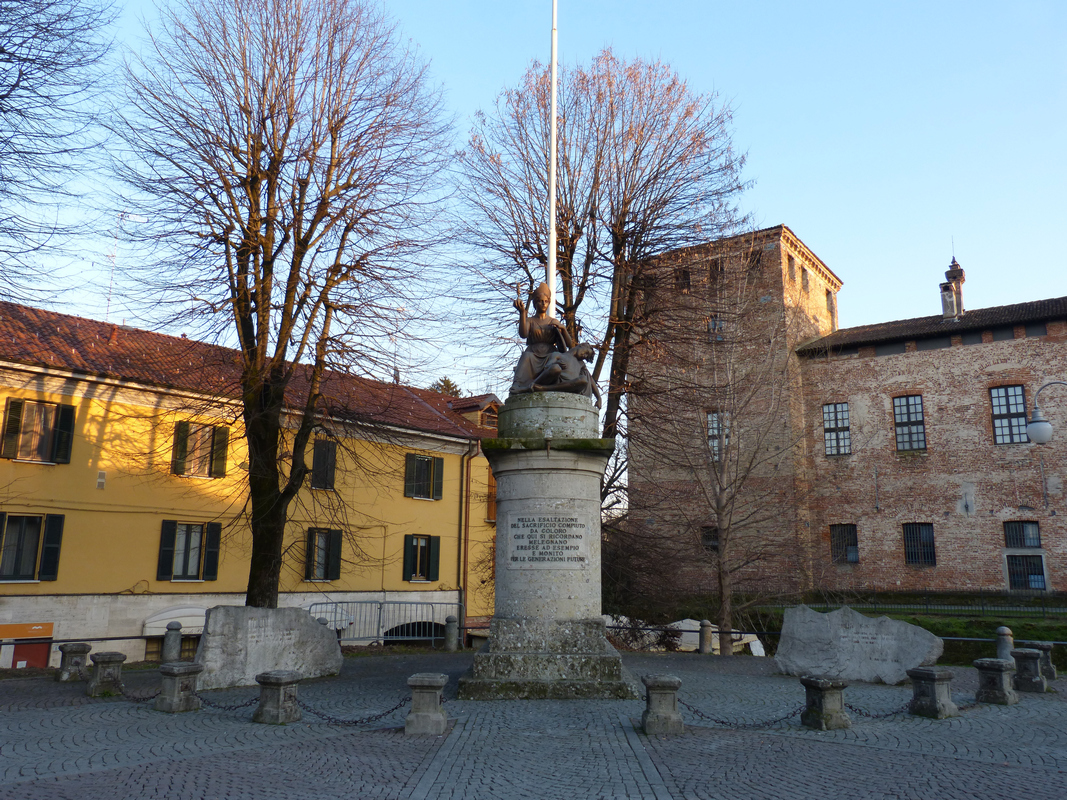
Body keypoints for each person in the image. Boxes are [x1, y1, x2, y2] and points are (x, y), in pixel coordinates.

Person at [509, 283, 572, 395]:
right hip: (533, 353)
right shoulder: (530, 320)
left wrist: (563, 329)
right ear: (535, 303)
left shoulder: (553, 321)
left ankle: (544, 385)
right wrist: (522, 313)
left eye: (546, 301)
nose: (543, 303)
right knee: (526, 357)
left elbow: (569, 345)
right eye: (540, 301)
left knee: (556, 367)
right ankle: (518, 385)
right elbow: (523, 334)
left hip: (550, 355)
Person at [532, 343, 601, 408]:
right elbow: (547, 367)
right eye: (586, 353)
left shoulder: (581, 363)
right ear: (582, 345)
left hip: (571, 386)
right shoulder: (558, 355)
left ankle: (544, 388)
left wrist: (598, 397)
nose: (585, 356)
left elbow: (590, 380)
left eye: (587, 356)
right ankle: (539, 385)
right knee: (555, 368)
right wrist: (556, 363)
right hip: (556, 380)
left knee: (583, 379)